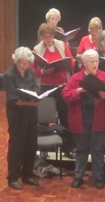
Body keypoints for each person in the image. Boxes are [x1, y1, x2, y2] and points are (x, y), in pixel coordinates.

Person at [63, 50, 105, 189]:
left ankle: (99, 178)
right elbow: (65, 94)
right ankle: (78, 176)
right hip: (81, 119)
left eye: (97, 61)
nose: (95, 64)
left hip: (99, 118)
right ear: (84, 63)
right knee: (81, 149)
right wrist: (78, 91)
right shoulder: (76, 78)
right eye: (92, 61)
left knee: (98, 149)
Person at [32, 22, 76, 158]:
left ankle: (67, 148)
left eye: (50, 35)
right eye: (45, 36)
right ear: (41, 37)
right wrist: (43, 71)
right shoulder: (37, 49)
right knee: (44, 118)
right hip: (45, 86)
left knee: (65, 117)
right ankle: (45, 150)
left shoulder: (62, 46)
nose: (48, 38)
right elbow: (33, 70)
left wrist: (63, 65)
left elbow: (72, 63)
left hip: (61, 85)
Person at [3, 47, 40, 190]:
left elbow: (35, 88)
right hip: (17, 113)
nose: (24, 66)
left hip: (31, 112)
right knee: (17, 144)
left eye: (27, 63)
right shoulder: (9, 75)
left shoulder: (30, 71)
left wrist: (37, 97)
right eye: (22, 63)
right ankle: (12, 177)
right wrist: (28, 102)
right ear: (16, 61)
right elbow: (12, 98)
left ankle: (28, 174)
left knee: (31, 142)